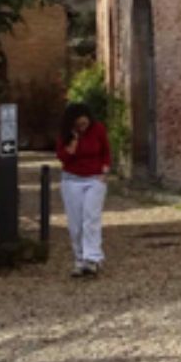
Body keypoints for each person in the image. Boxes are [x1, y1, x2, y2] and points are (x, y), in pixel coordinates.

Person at [57, 103, 111, 277]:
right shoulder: (65, 135)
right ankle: (80, 259)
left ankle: (93, 258)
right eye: (79, 125)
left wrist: (105, 169)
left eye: (84, 124)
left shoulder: (98, 129)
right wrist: (72, 143)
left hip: (94, 179)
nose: (82, 127)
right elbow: (62, 157)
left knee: (91, 218)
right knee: (76, 223)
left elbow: (106, 151)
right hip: (71, 180)